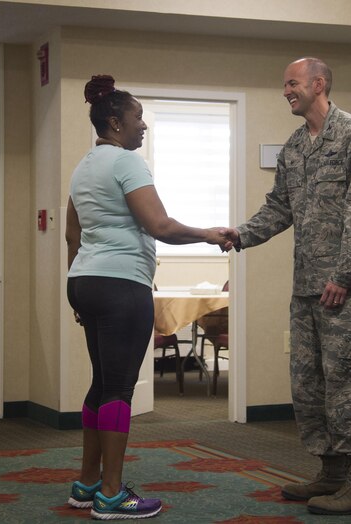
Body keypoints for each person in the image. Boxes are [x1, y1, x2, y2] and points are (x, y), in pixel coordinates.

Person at [223, 57, 351, 516]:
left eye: (292, 84)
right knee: (308, 383)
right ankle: (331, 471)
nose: (286, 92)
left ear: (318, 84)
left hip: (347, 287)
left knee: (344, 384)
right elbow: (279, 207)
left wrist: (343, 275)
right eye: (284, 85)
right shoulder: (295, 147)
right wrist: (240, 235)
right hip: (307, 287)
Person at [65, 75, 228, 520]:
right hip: (121, 284)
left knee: (101, 382)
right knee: (119, 388)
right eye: (138, 118)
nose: (144, 126)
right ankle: (112, 494)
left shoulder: (84, 165)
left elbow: (71, 234)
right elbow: (161, 226)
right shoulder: (127, 163)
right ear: (115, 122)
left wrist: (79, 290)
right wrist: (209, 234)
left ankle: (86, 484)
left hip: (85, 281)